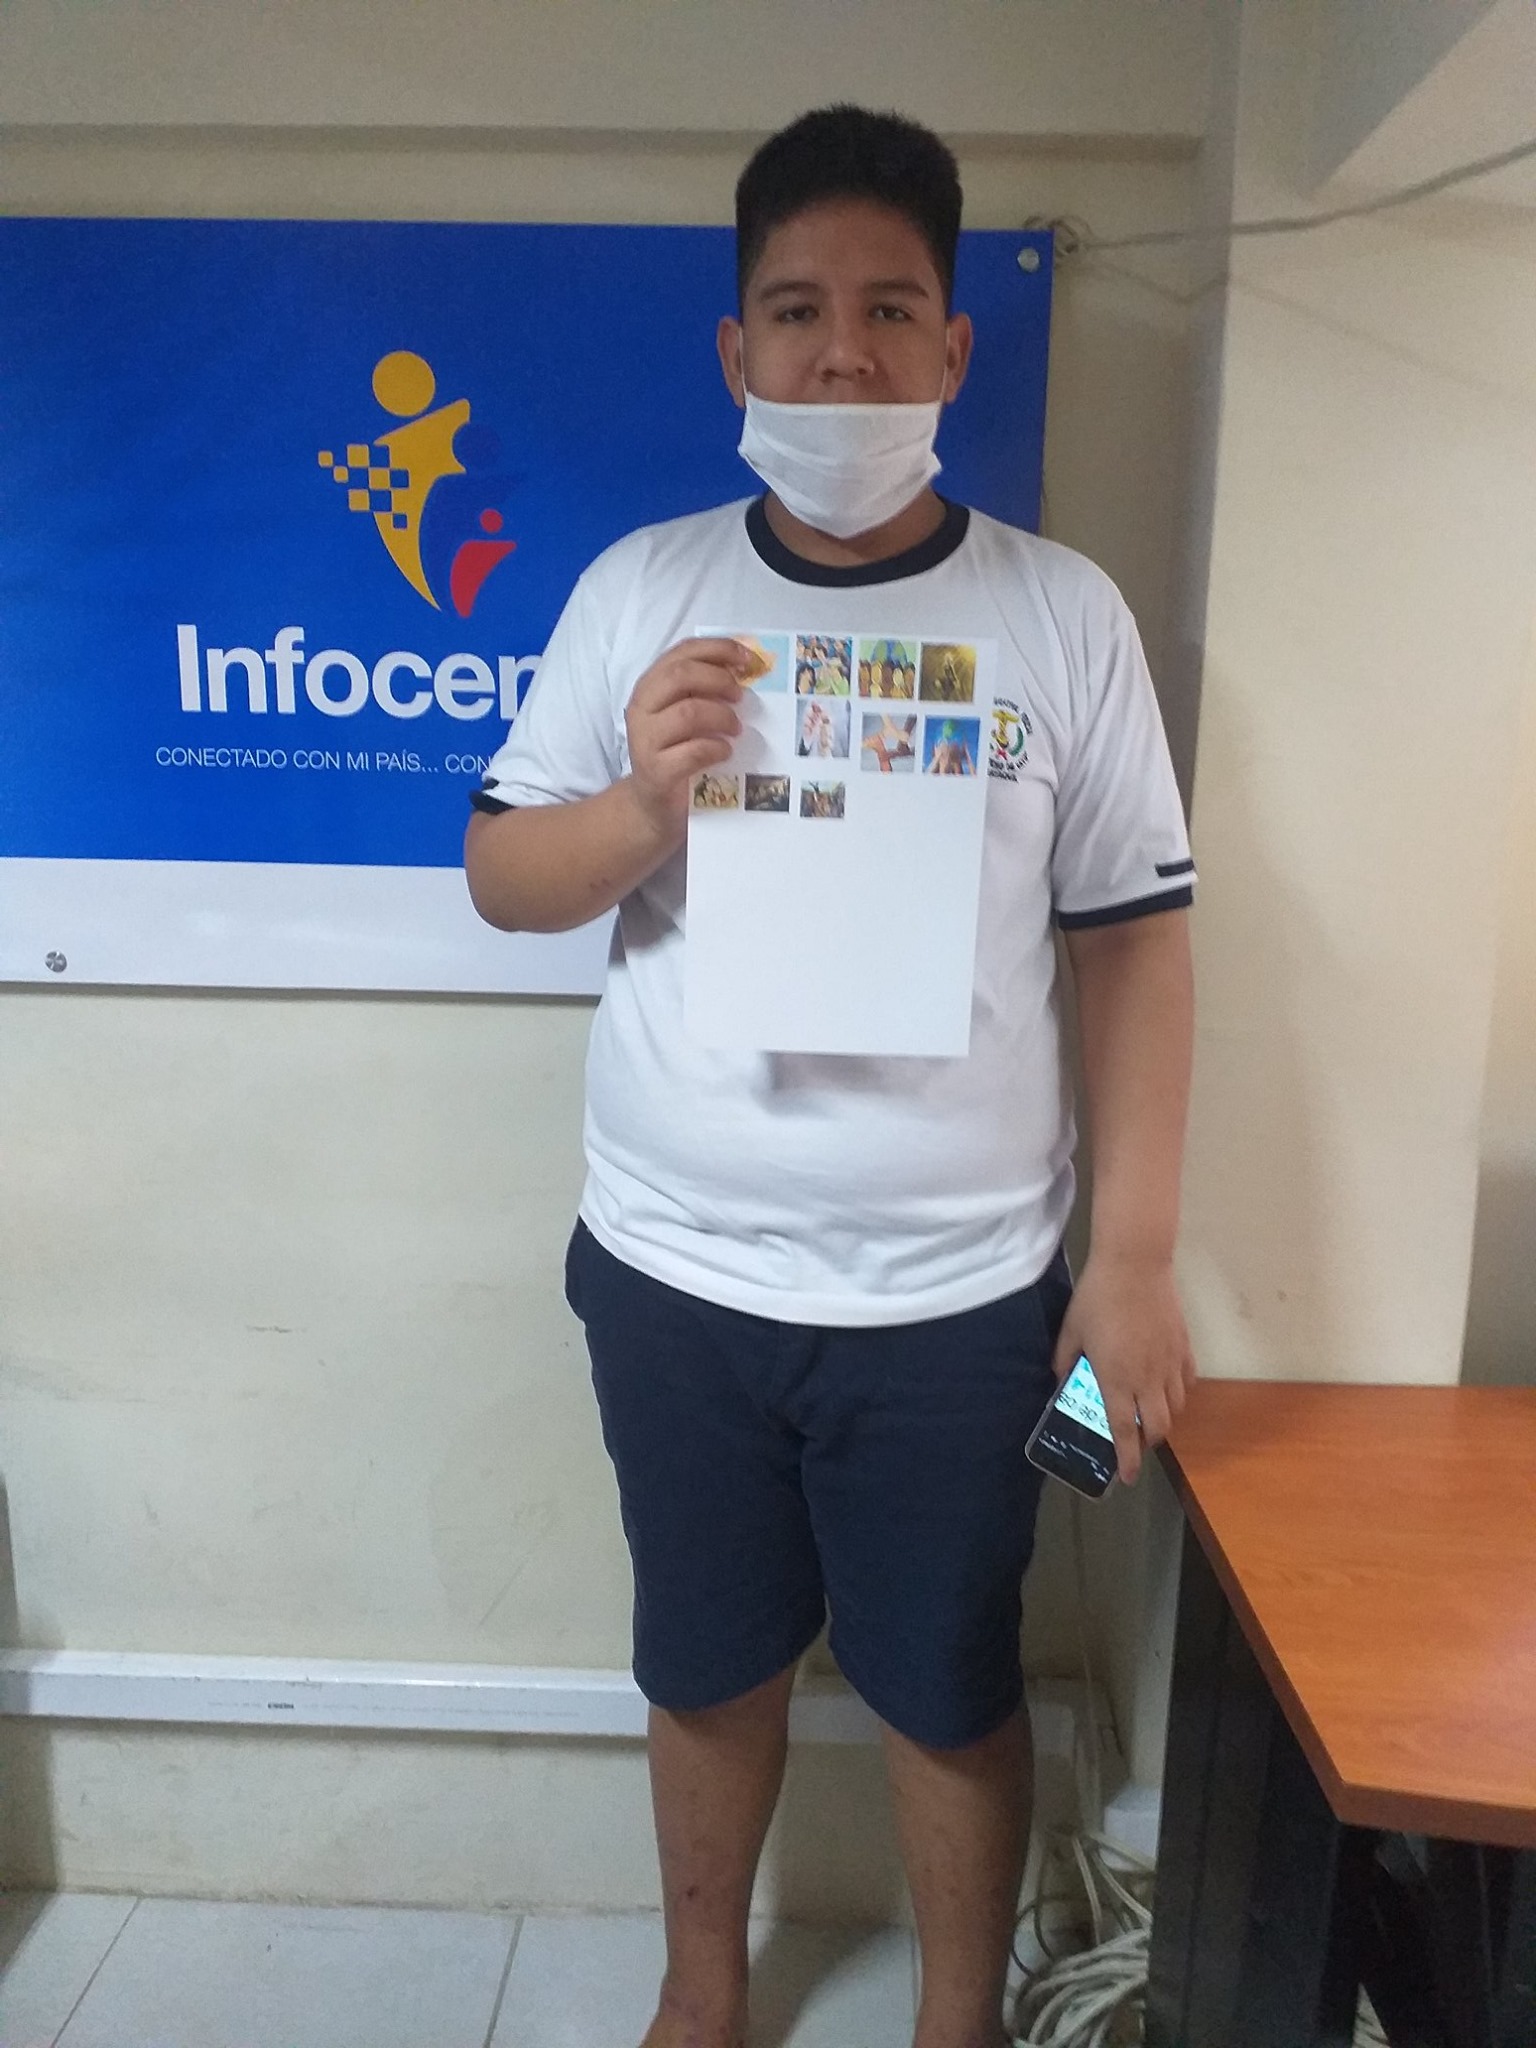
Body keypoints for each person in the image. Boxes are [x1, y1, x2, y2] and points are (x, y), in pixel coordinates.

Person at [464, 104, 1196, 2048]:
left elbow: (1135, 943)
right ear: (738, 347)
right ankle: (702, 1993)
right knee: (705, 1664)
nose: (843, 354)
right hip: (676, 1268)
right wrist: (641, 805)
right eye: (797, 309)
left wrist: (1132, 1261)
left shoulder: (1058, 612)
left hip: (961, 1298)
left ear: (956, 343)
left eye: (888, 310)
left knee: (947, 1680)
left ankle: (959, 2019)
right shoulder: (642, 591)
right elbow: (504, 879)